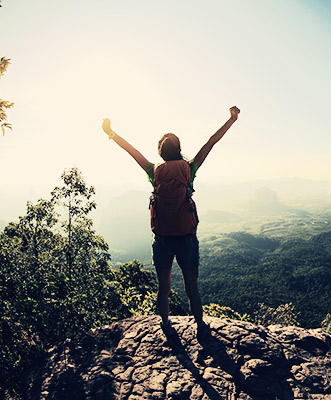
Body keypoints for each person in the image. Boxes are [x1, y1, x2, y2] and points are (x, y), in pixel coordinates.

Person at [101, 106, 240, 338]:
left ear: (160, 153)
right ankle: (200, 326)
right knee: (191, 287)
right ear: (180, 150)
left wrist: (111, 132)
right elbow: (211, 142)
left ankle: (165, 324)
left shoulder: (153, 171)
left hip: (163, 238)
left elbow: (131, 150)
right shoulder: (189, 169)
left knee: (163, 288)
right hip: (186, 237)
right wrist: (231, 119)